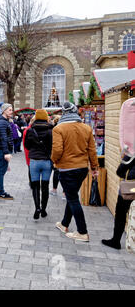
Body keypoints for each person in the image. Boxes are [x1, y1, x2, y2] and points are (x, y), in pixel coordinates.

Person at [52, 102, 98, 242]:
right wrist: (94, 167)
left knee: (72, 198)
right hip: (82, 168)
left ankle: (82, 232)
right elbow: (92, 150)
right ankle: (64, 224)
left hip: (67, 169)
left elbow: (57, 150)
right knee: (72, 196)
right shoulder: (86, 128)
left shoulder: (58, 129)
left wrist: (54, 161)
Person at [24, 109, 53, 219]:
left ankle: (37, 207)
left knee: (35, 186)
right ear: (46, 117)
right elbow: (53, 146)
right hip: (46, 161)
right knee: (45, 186)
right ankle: (44, 209)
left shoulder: (31, 130)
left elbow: (26, 145)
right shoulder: (51, 130)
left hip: (34, 161)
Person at [102, 154, 135, 249]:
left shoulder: (132, 151)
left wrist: (125, 157)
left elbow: (120, 171)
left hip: (129, 189)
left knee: (120, 214)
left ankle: (116, 241)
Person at [0, 103, 14, 200]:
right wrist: (6, 153)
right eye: (9, 110)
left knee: (1, 171)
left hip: (1, 150)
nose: (11, 111)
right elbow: (3, 138)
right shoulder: (2, 122)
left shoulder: (3, 121)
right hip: (2, 151)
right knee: (1, 172)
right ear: (4, 110)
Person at [49, 115, 62, 198]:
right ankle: (64, 193)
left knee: (56, 172)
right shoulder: (64, 128)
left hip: (55, 152)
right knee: (64, 173)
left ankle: (54, 189)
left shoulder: (53, 129)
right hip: (64, 154)